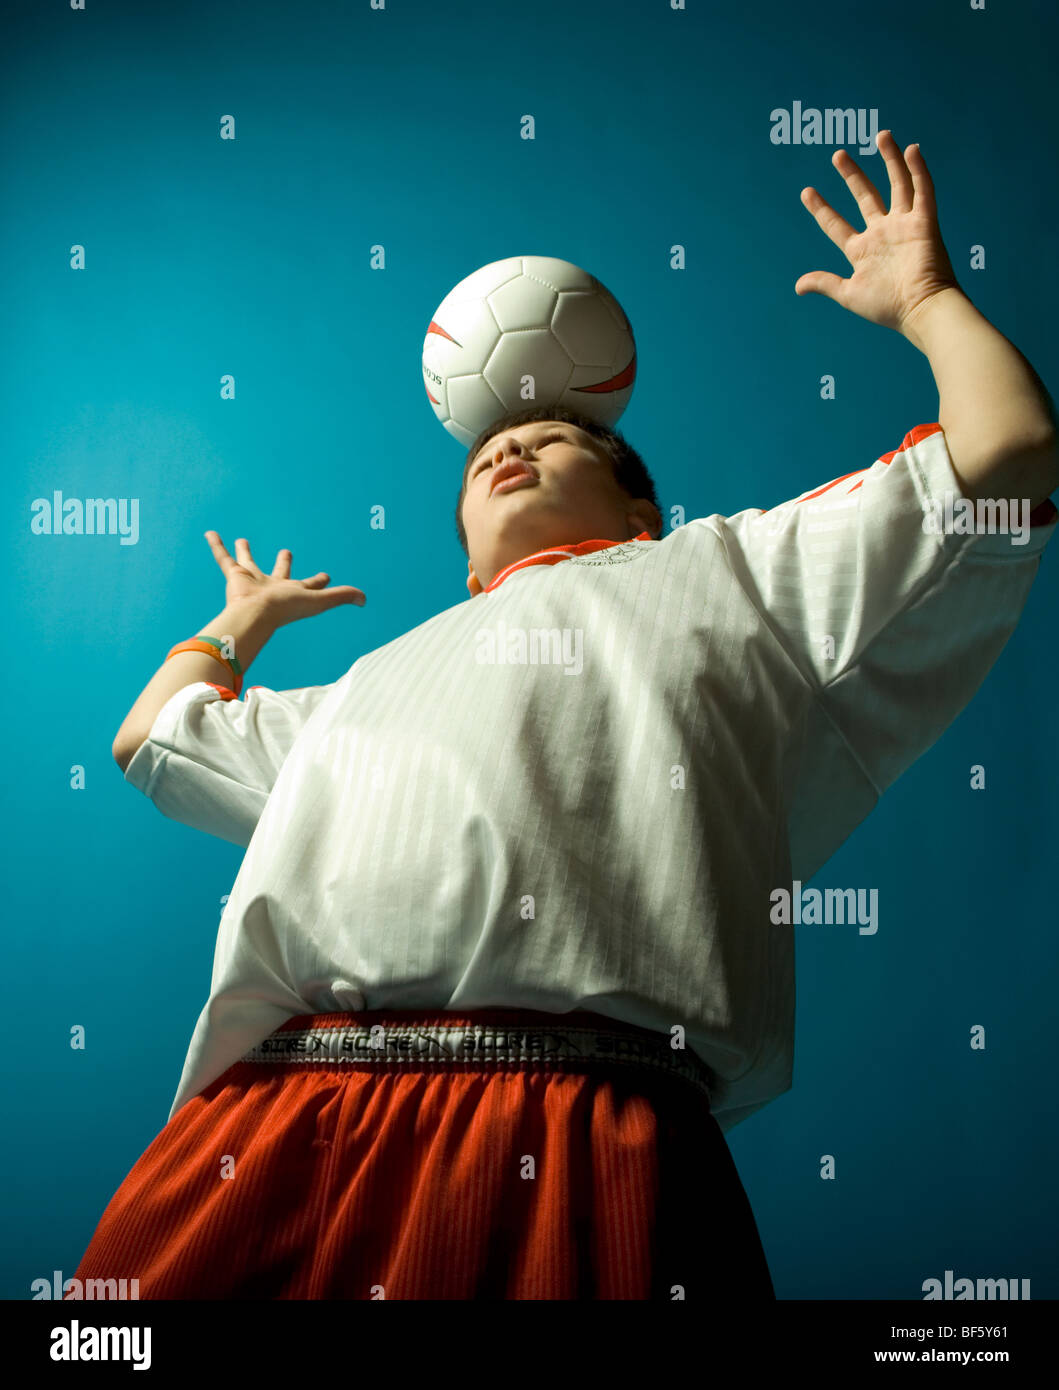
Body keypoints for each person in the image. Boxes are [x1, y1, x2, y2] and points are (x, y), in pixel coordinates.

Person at [67, 132, 1056, 1300]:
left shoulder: (735, 566)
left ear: (642, 503)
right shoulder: (369, 684)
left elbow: (1006, 461)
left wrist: (929, 299)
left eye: (555, 434)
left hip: (576, 1125)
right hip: (265, 1125)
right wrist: (241, 623)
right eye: (491, 445)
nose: (515, 443)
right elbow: (152, 740)